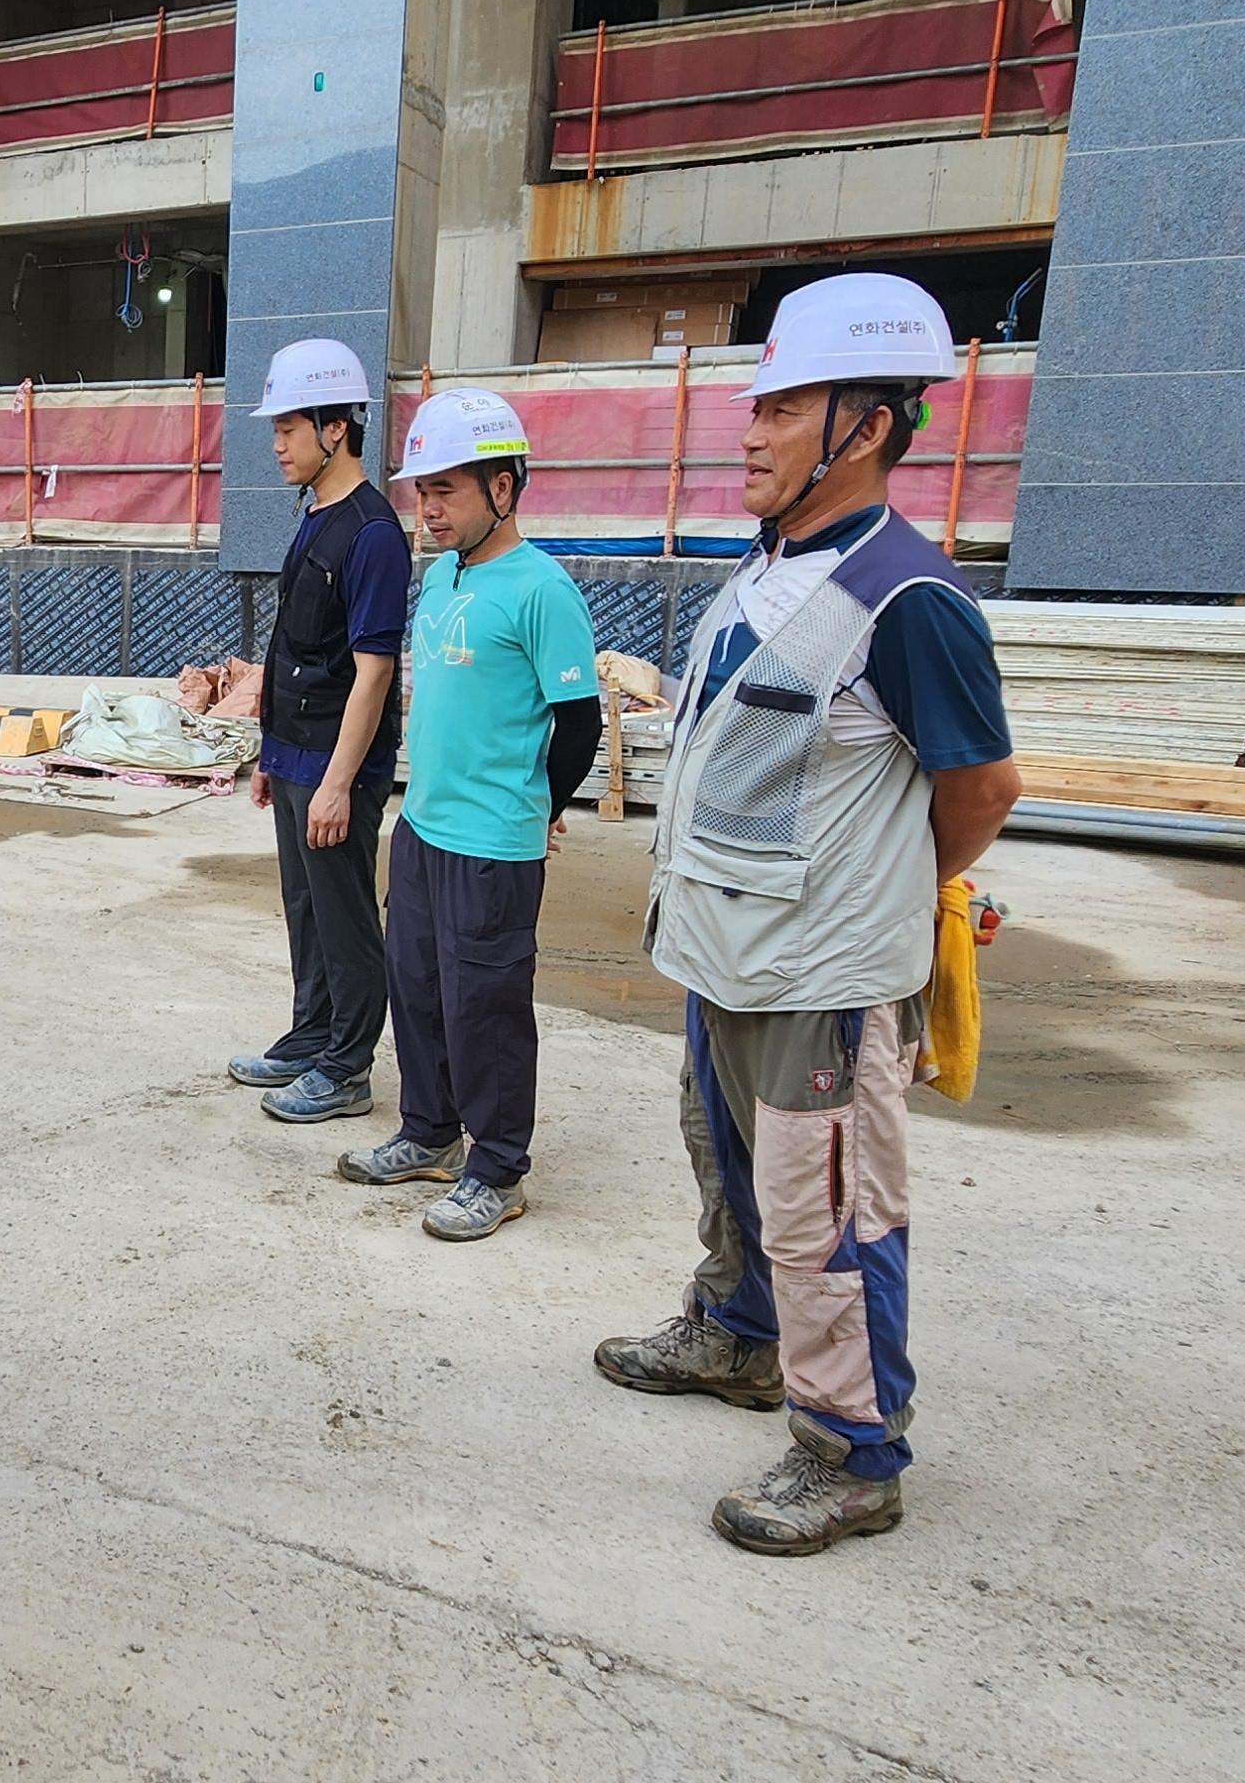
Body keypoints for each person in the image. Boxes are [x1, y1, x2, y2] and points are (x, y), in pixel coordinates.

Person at [593, 272, 1020, 1556]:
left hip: (818, 974)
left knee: (826, 1210)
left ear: (868, 425)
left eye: (782, 408)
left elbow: (981, 788)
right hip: (722, 949)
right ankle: (738, 1336)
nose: (750, 432)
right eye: (758, 406)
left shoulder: (910, 601)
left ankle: (851, 1452)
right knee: (725, 1164)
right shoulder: (767, 571)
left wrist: (891, 893)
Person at [333, 388, 600, 1244]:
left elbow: (580, 724)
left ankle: (498, 1169)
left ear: (503, 489)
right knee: (417, 989)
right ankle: (429, 1132)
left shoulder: (543, 590)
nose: (430, 508)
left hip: (492, 842)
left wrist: (540, 807)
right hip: (423, 826)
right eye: (423, 490)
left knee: (486, 1006)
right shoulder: (443, 575)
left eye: (446, 489)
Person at [233, 337, 413, 1126]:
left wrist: (338, 781)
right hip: (294, 751)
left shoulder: (372, 534)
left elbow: (373, 672)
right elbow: (293, 645)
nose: (277, 445)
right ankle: (310, 1036)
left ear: (336, 427)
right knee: (305, 908)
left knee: (344, 917)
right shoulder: (316, 516)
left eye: (288, 429)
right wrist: (270, 751)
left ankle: (347, 1068)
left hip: (338, 761)